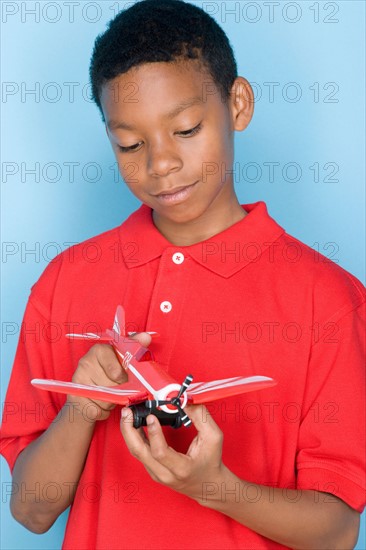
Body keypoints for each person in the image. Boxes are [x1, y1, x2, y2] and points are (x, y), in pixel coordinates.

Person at [1, 0, 365, 548]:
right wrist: (80, 407)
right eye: (130, 144)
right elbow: (30, 512)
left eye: (187, 129)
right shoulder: (64, 282)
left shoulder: (330, 299)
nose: (160, 164)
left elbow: (338, 533)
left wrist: (216, 488)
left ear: (238, 104)